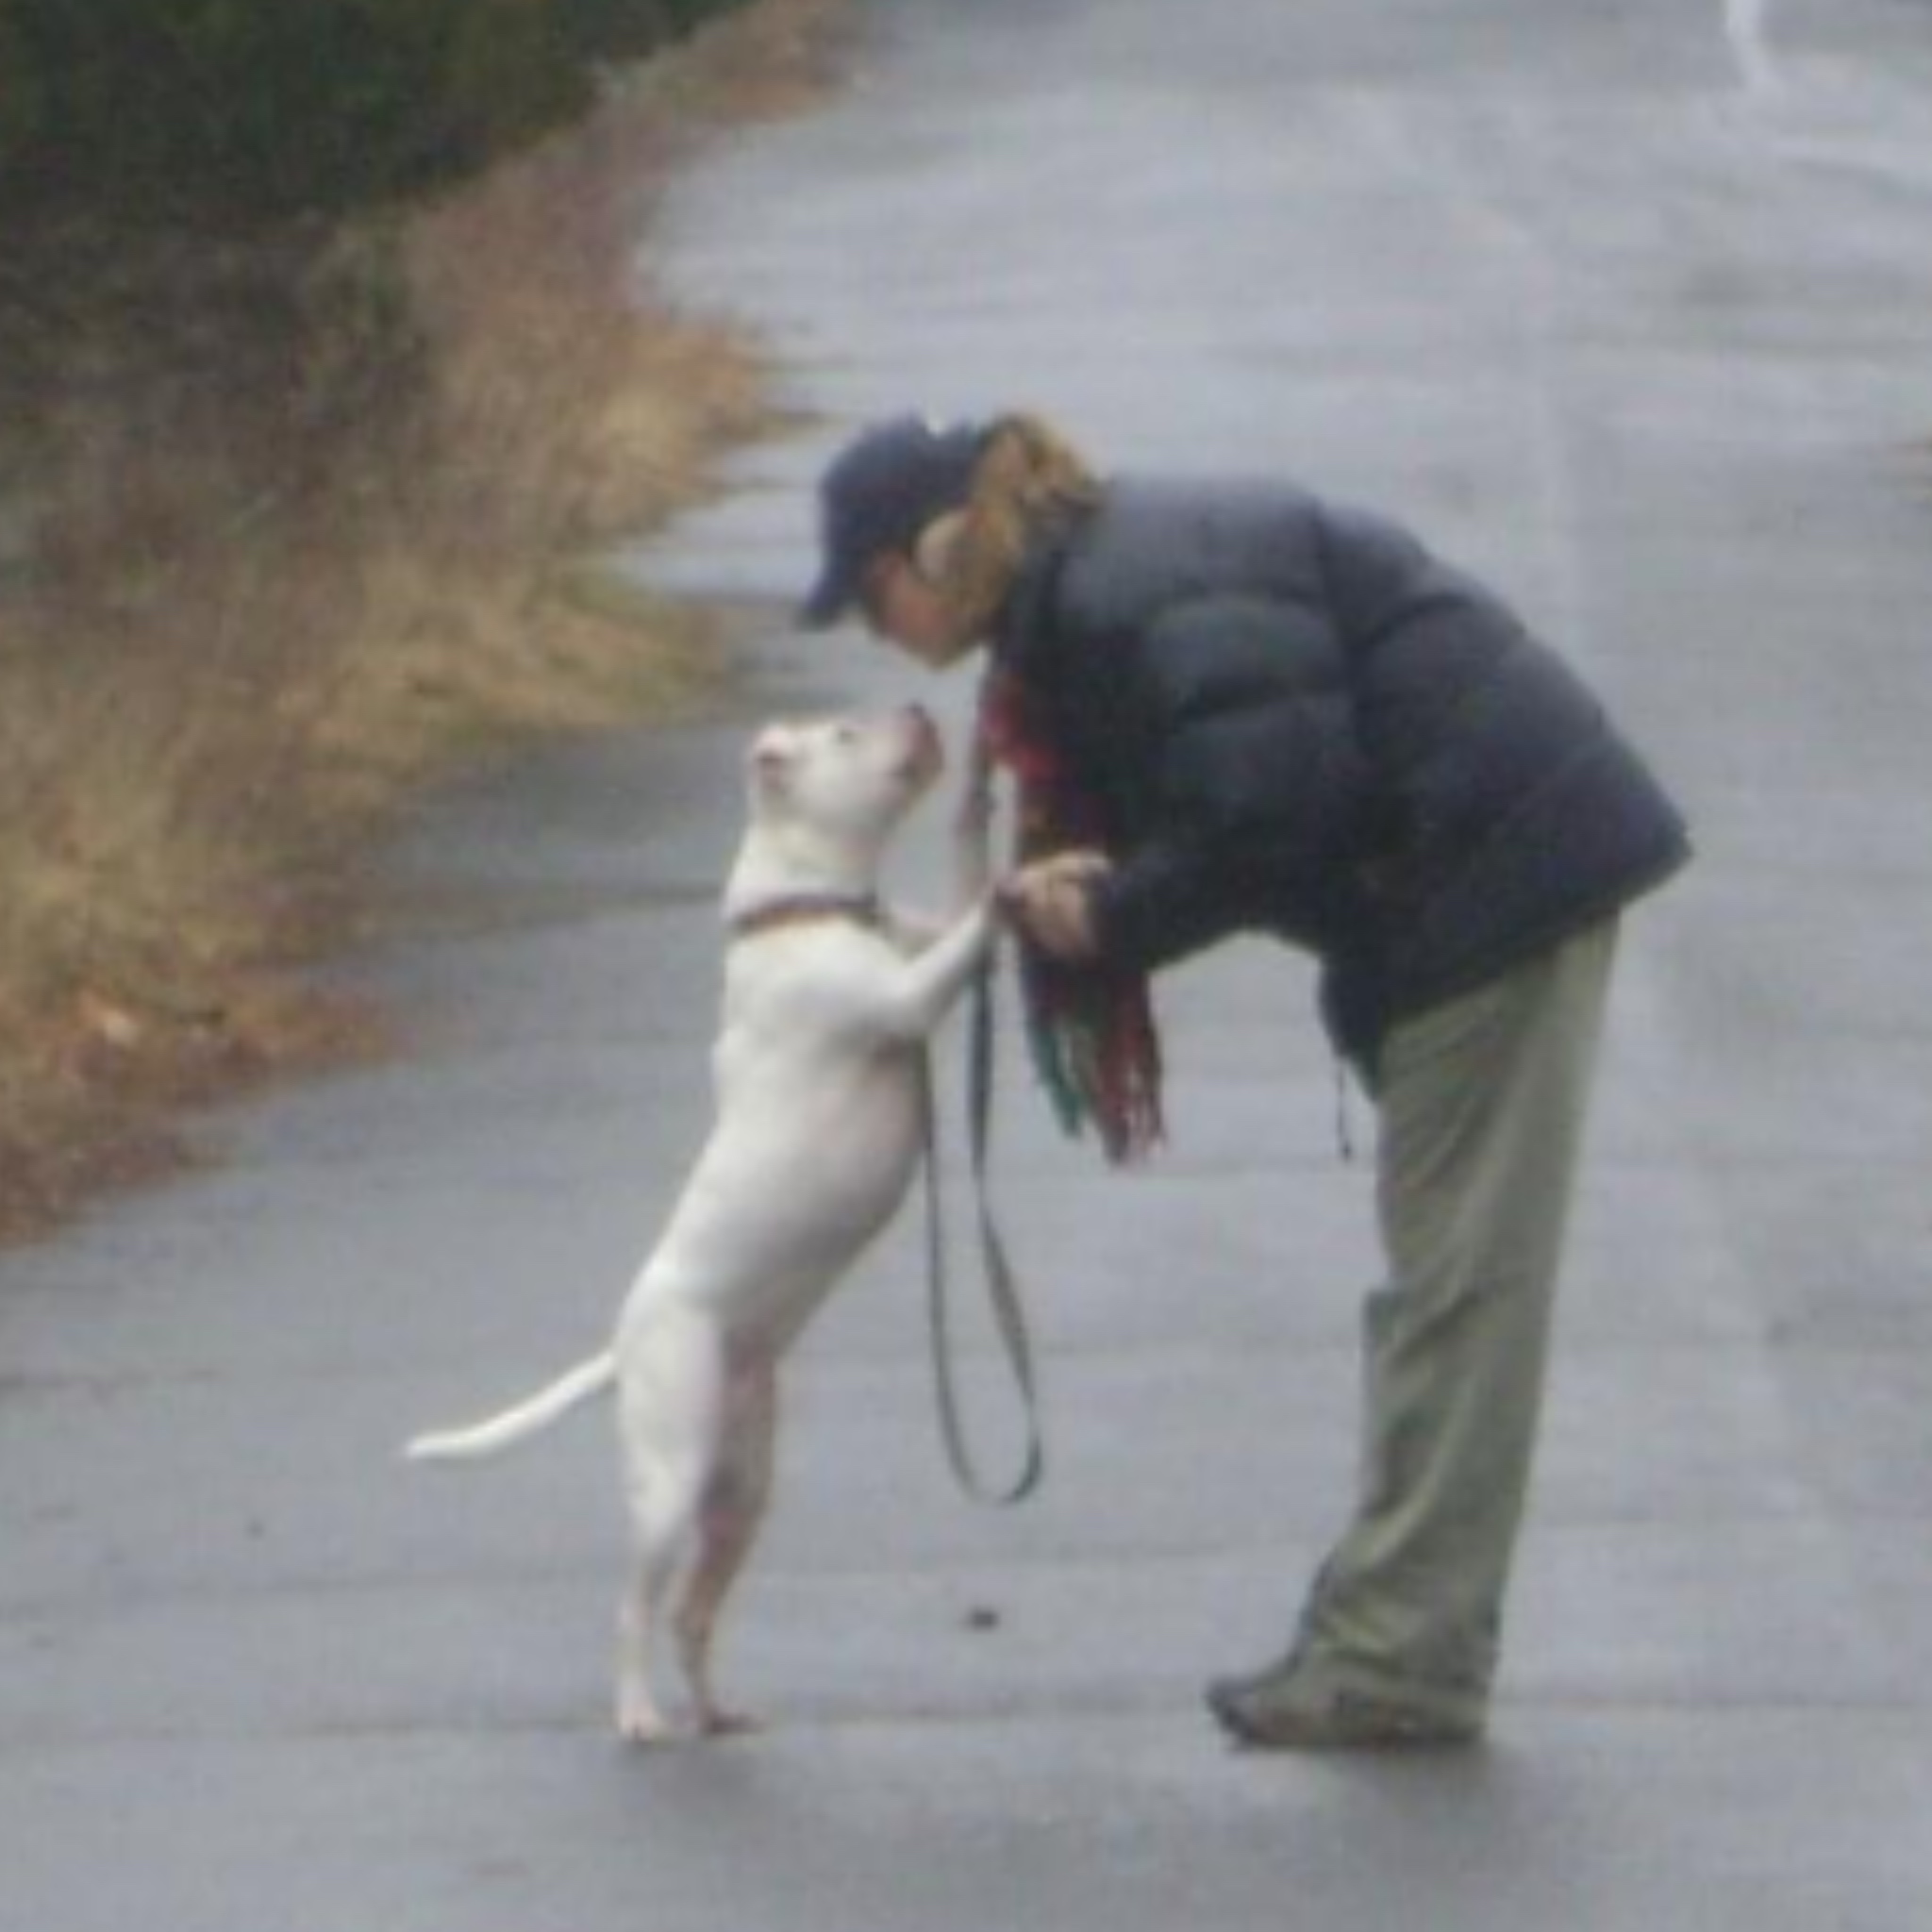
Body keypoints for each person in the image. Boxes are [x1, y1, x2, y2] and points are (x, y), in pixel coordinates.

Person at [798, 411, 1691, 1751]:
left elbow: (1273, 811)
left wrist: (1112, 916)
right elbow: (1244, 794)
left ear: (937, 546)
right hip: (1455, 878)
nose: (880, 636)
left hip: (1492, 876)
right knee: (1444, 1287)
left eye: (871, 597)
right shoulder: (1103, 579)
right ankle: (1392, 1626)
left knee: (1460, 1295)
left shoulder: (1123, 591)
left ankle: (1400, 1659)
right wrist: (1114, 885)